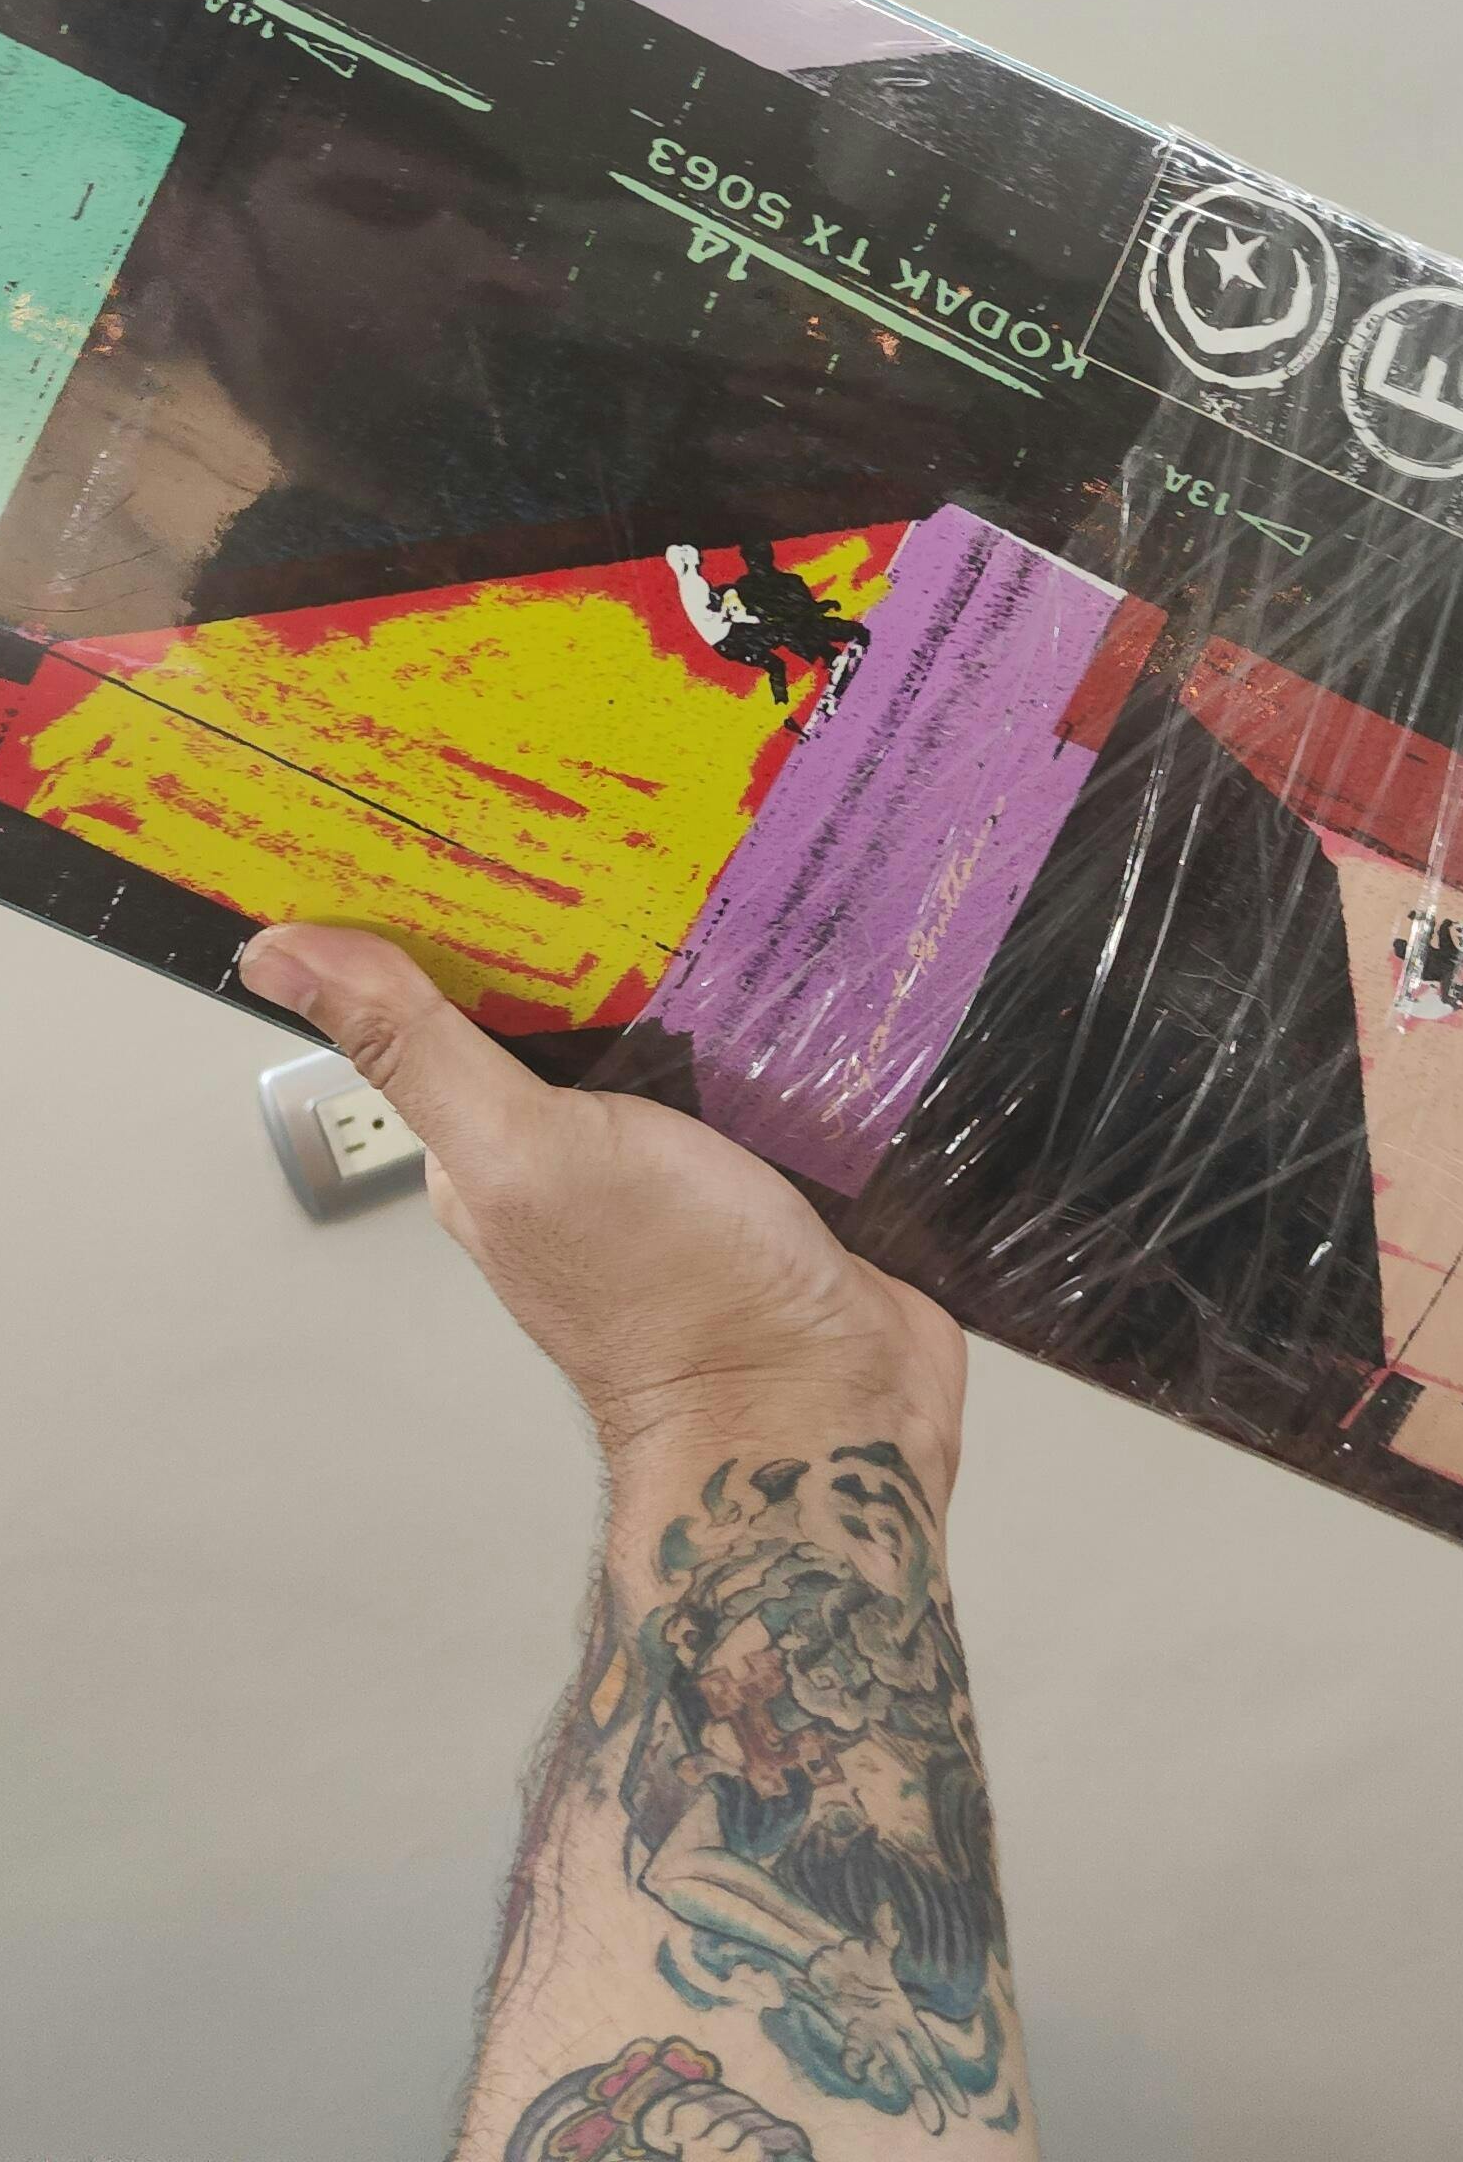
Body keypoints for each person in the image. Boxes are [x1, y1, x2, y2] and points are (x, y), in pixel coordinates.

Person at [238, 925, 1042, 2161]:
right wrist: (765, 1382)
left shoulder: (779, 1761)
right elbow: (686, 1866)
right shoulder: (789, 1802)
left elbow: (692, 1859)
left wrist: (767, 1381)